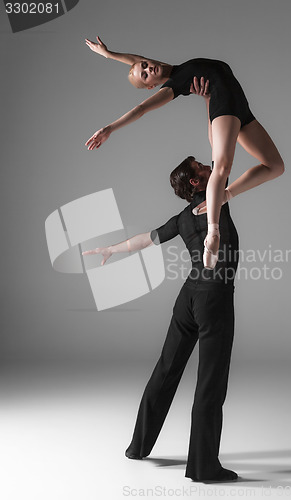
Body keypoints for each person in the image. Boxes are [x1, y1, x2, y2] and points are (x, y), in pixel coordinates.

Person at [82, 151, 240, 480]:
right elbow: (223, 154)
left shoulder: (183, 218)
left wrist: (113, 249)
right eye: (201, 167)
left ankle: (137, 447)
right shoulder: (219, 199)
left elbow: (147, 239)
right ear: (198, 181)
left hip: (189, 298)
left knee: (166, 370)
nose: (209, 167)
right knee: (210, 383)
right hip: (214, 299)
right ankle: (204, 467)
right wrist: (214, 106)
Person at [84, 37, 284, 269]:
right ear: (151, 86)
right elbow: (141, 109)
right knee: (221, 165)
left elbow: (136, 60)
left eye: (146, 65)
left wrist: (110, 55)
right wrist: (110, 128)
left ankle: (222, 197)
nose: (148, 68)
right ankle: (213, 235)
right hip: (224, 106)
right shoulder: (175, 84)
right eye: (146, 74)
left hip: (240, 107)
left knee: (275, 166)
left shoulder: (179, 69)